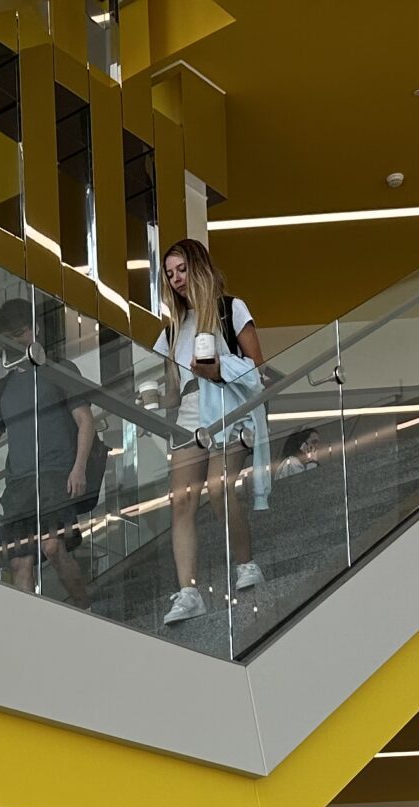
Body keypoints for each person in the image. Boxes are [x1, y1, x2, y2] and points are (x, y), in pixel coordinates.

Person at [0, 297, 97, 605]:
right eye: (8, 337)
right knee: (19, 562)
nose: (14, 342)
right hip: (19, 485)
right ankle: (30, 633)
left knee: (53, 547)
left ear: (34, 329)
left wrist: (78, 467)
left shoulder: (61, 369)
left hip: (55, 476)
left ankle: (85, 606)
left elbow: (85, 421)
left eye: (19, 333)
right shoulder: (2, 388)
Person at [152, 238, 265, 626]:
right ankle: (189, 591)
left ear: (198, 266)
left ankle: (246, 563)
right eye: (169, 273)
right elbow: (169, 390)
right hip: (187, 412)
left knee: (219, 488)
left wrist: (219, 368)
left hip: (226, 407)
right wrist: (150, 396)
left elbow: (257, 368)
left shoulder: (229, 309)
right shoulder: (171, 331)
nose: (176, 279)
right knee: (181, 501)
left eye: (181, 269)